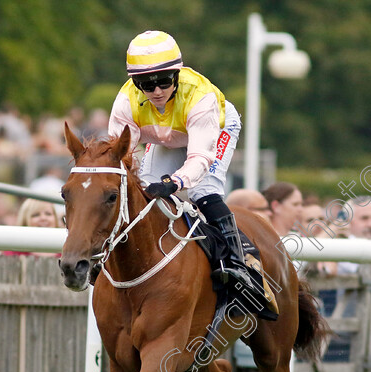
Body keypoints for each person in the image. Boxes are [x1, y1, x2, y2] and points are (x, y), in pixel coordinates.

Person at [108, 30, 273, 314]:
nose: (157, 90)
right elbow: (118, 155)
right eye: (146, 84)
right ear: (134, 83)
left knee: (202, 191)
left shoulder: (200, 97)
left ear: (177, 73)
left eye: (163, 80)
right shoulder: (125, 101)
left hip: (214, 128)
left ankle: (240, 267)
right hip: (168, 135)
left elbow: (199, 158)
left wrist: (175, 182)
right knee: (144, 193)